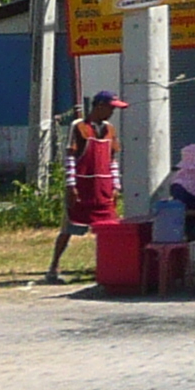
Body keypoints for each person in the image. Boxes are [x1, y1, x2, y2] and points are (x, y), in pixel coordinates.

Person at [48, 90, 126, 282]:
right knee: (69, 228)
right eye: (110, 108)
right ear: (99, 106)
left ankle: (107, 267)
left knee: (109, 229)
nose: (112, 113)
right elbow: (71, 156)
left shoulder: (110, 129)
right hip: (82, 186)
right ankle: (54, 267)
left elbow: (112, 159)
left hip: (104, 187)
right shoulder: (79, 126)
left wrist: (116, 185)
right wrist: (70, 184)